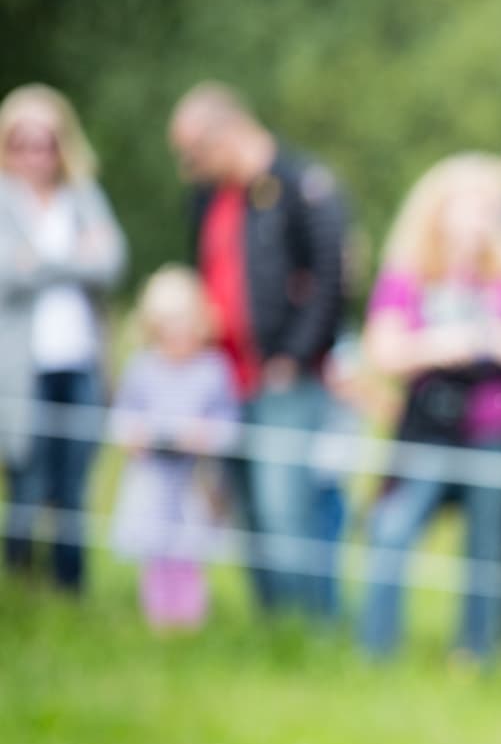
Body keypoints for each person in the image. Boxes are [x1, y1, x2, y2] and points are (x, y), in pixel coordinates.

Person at [170, 82, 346, 616]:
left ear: (225, 134)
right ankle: (272, 624)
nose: (188, 166)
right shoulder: (212, 198)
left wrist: (293, 357)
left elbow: (331, 278)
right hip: (226, 377)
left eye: (192, 152)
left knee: (285, 505)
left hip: (283, 377)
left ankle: (309, 628)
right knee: (246, 509)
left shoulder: (300, 184)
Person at [357, 154, 501, 661]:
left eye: (487, 209)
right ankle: (376, 649)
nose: (477, 220)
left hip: (495, 425)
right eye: (467, 207)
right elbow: (383, 351)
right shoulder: (410, 276)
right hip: (428, 426)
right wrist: (447, 344)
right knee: (392, 529)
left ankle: (476, 653)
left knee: (488, 544)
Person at [0, 85, 127, 592]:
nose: (35, 154)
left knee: (74, 481)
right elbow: (8, 272)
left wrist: (40, 260)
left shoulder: (83, 195)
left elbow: (112, 264)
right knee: (26, 478)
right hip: (21, 364)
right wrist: (75, 258)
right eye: (22, 142)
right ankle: (18, 587)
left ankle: (69, 590)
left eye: (45, 142)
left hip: (79, 359)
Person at [107, 267, 239, 630]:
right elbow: (122, 415)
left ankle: (190, 619)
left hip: (193, 478)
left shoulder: (213, 369)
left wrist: (204, 435)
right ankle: (158, 620)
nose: (178, 331)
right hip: (151, 475)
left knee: (188, 548)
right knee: (156, 549)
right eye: (169, 321)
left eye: (184, 320)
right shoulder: (142, 367)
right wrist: (133, 435)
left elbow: (230, 425)